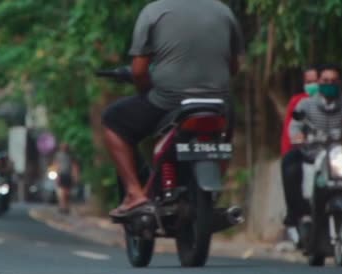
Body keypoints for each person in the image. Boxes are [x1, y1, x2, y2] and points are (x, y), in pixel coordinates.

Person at [101, 0, 244, 218]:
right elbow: (234, 67)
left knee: (112, 120)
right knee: (223, 138)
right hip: (218, 103)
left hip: (167, 100)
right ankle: (215, 189)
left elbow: (139, 71)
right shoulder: (225, 11)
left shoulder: (154, 11)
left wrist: (145, 90)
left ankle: (134, 193)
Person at [282, 64, 342, 236]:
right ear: (319, 82)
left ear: (339, 82)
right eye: (325, 81)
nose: (329, 84)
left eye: (333, 81)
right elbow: (294, 126)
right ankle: (296, 215)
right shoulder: (305, 105)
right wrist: (298, 136)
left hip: (341, 156)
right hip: (312, 154)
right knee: (290, 164)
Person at [280, 66, 320, 156]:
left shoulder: (332, 101)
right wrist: (287, 154)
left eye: (315, 81)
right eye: (309, 82)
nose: (312, 85)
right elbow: (289, 129)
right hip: (304, 150)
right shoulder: (297, 101)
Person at [52, 143, 79, 214]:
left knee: (67, 192)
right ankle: (62, 206)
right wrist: (57, 175)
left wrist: (75, 176)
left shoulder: (71, 156)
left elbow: (74, 166)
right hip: (61, 175)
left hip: (68, 175)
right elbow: (56, 165)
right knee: (61, 192)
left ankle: (66, 207)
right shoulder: (58, 155)